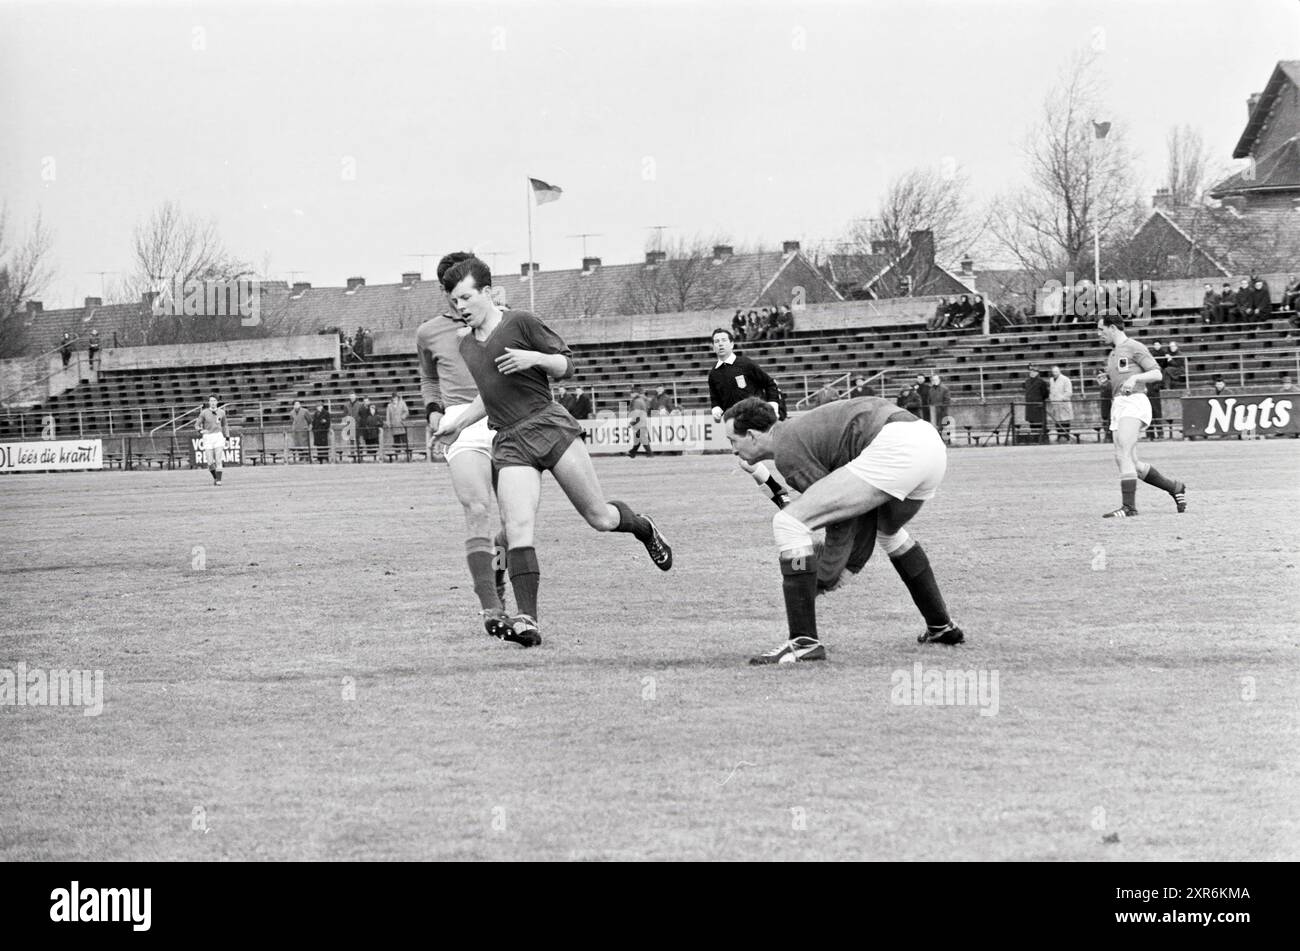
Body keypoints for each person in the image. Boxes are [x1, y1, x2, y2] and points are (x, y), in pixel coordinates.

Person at [431, 256, 672, 647]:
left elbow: (566, 365)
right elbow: (490, 394)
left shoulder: (521, 321)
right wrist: (459, 423)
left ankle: (643, 526)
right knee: (518, 529)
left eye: (466, 298)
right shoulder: (466, 346)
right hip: (509, 441)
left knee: (600, 518)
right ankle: (528, 619)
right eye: (454, 301)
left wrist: (535, 358)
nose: (460, 307)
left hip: (548, 425)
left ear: (488, 293)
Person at [723, 396, 963, 664]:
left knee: (788, 524)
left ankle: (803, 642)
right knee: (888, 531)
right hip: (928, 443)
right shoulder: (796, 433)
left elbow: (843, 518)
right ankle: (941, 626)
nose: (732, 449)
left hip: (897, 445)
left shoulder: (788, 449)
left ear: (753, 436)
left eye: (733, 440)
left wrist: (833, 570)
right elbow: (843, 510)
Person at [416, 251, 516, 640]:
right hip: (462, 424)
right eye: (449, 291)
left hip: (506, 414)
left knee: (513, 523)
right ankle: (491, 608)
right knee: (477, 508)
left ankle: (498, 570)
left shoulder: (503, 318)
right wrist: (433, 411)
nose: (456, 298)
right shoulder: (428, 333)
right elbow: (427, 377)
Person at [1096, 314, 1188, 518]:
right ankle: (1175, 487)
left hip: (1134, 402)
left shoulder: (1134, 346)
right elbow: (1121, 379)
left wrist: (1136, 377)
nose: (1099, 334)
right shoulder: (1113, 354)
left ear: (1112, 328)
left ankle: (1129, 507)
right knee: (1131, 463)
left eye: (1101, 329)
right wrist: (1108, 380)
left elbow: (1157, 373)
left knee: (1123, 455)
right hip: (1119, 404)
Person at [707, 327, 791, 509]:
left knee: (779, 454)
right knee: (747, 463)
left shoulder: (745, 364)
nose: (720, 344)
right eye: (716, 341)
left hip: (756, 419)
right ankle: (779, 494)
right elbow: (715, 398)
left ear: (731, 344)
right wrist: (715, 408)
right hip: (736, 425)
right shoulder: (713, 374)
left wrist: (774, 406)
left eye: (723, 340)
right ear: (713, 346)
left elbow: (769, 383)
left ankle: (783, 492)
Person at [194, 395, 229, 486]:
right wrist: (200, 430)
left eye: (214, 400)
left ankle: (219, 481)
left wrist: (227, 437)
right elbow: (196, 425)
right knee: (210, 462)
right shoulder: (204, 412)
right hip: (208, 437)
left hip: (218, 436)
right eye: (211, 400)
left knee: (218, 459)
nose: (213, 402)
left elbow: (225, 425)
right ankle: (215, 477)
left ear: (217, 402)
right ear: (209, 402)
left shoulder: (222, 412)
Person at [1022, 366, 1049, 444]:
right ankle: (1034, 438)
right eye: (1030, 371)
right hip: (1030, 406)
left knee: (1039, 423)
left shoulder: (1041, 382)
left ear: (1037, 372)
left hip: (1038, 406)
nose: (1031, 372)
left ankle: (1041, 438)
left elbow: (1045, 394)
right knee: (1032, 423)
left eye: (1033, 371)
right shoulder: (1027, 381)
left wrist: (1039, 400)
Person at [1047, 366, 1074, 442]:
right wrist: (1051, 398)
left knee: (1065, 420)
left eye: (1056, 372)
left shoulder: (1066, 380)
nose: (1054, 374)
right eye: (1053, 372)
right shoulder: (1051, 380)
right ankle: (1059, 435)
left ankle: (1066, 435)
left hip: (1063, 403)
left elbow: (1069, 392)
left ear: (1059, 371)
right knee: (1057, 420)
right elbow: (1051, 391)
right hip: (1055, 404)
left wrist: (1061, 398)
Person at [627, 387, 654, 457]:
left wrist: (632, 423)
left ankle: (650, 453)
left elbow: (636, 414)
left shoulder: (637, 401)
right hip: (641, 421)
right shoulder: (639, 400)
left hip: (639, 423)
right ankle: (632, 452)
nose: (630, 394)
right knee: (638, 438)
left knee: (642, 438)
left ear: (635, 393)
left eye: (632, 393)